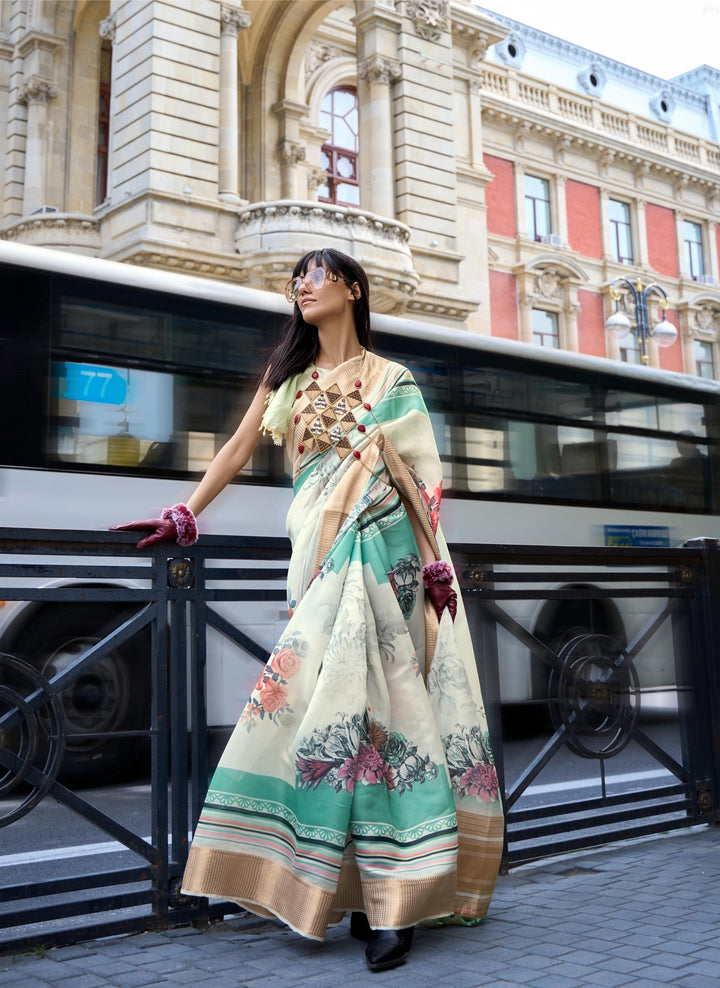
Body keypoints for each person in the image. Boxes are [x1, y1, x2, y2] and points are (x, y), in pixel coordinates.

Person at [112, 249, 503, 972]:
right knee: (324, 726)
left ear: (353, 288)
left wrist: (418, 549)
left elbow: (423, 478)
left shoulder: (394, 380)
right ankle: (348, 889)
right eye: (294, 277)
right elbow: (233, 451)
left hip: (388, 561)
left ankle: (395, 903)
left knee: (388, 726)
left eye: (315, 274)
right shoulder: (288, 379)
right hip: (318, 563)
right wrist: (183, 514)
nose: (300, 285)